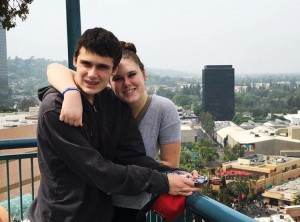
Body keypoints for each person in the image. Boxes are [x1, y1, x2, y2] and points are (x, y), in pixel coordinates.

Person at [29, 27, 200, 222]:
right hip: (61, 216)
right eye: (86, 64)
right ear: (75, 60)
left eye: (102, 67)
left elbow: (133, 157)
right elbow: (96, 169)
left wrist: (178, 173)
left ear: (113, 69)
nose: (92, 74)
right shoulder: (55, 109)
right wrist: (164, 182)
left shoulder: (112, 104)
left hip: (101, 214)